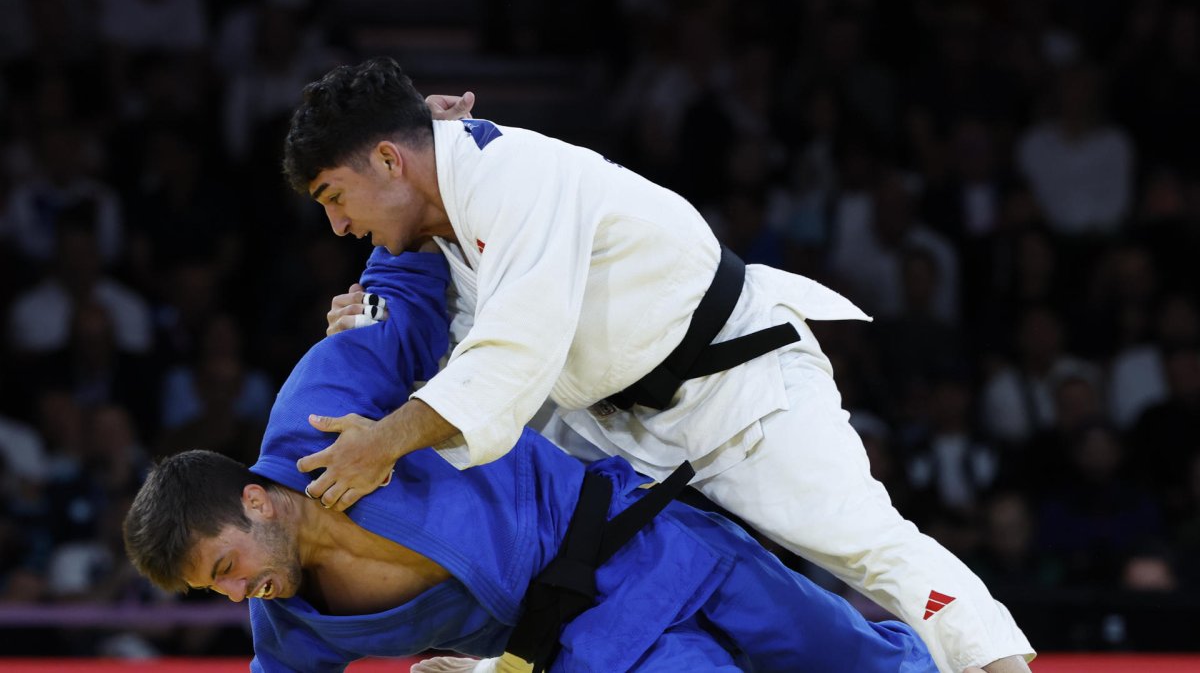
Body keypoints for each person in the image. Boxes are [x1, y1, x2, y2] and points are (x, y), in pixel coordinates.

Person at [282, 58, 1033, 673]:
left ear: (388, 159)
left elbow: (511, 354)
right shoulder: (442, 209)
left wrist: (381, 442)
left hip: (738, 391)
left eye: (335, 196)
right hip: (622, 425)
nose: (340, 225)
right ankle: (500, 665)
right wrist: (370, 322)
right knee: (570, 551)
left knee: (867, 545)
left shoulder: (512, 176)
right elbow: (471, 342)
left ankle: (999, 665)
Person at [122, 248, 938, 672]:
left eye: (226, 564)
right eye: (216, 588)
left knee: (854, 658)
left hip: (644, 536)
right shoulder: (293, 624)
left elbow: (403, 288)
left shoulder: (320, 411)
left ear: (257, 501)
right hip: (593, 646)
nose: (237, 592)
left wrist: (435, 148)